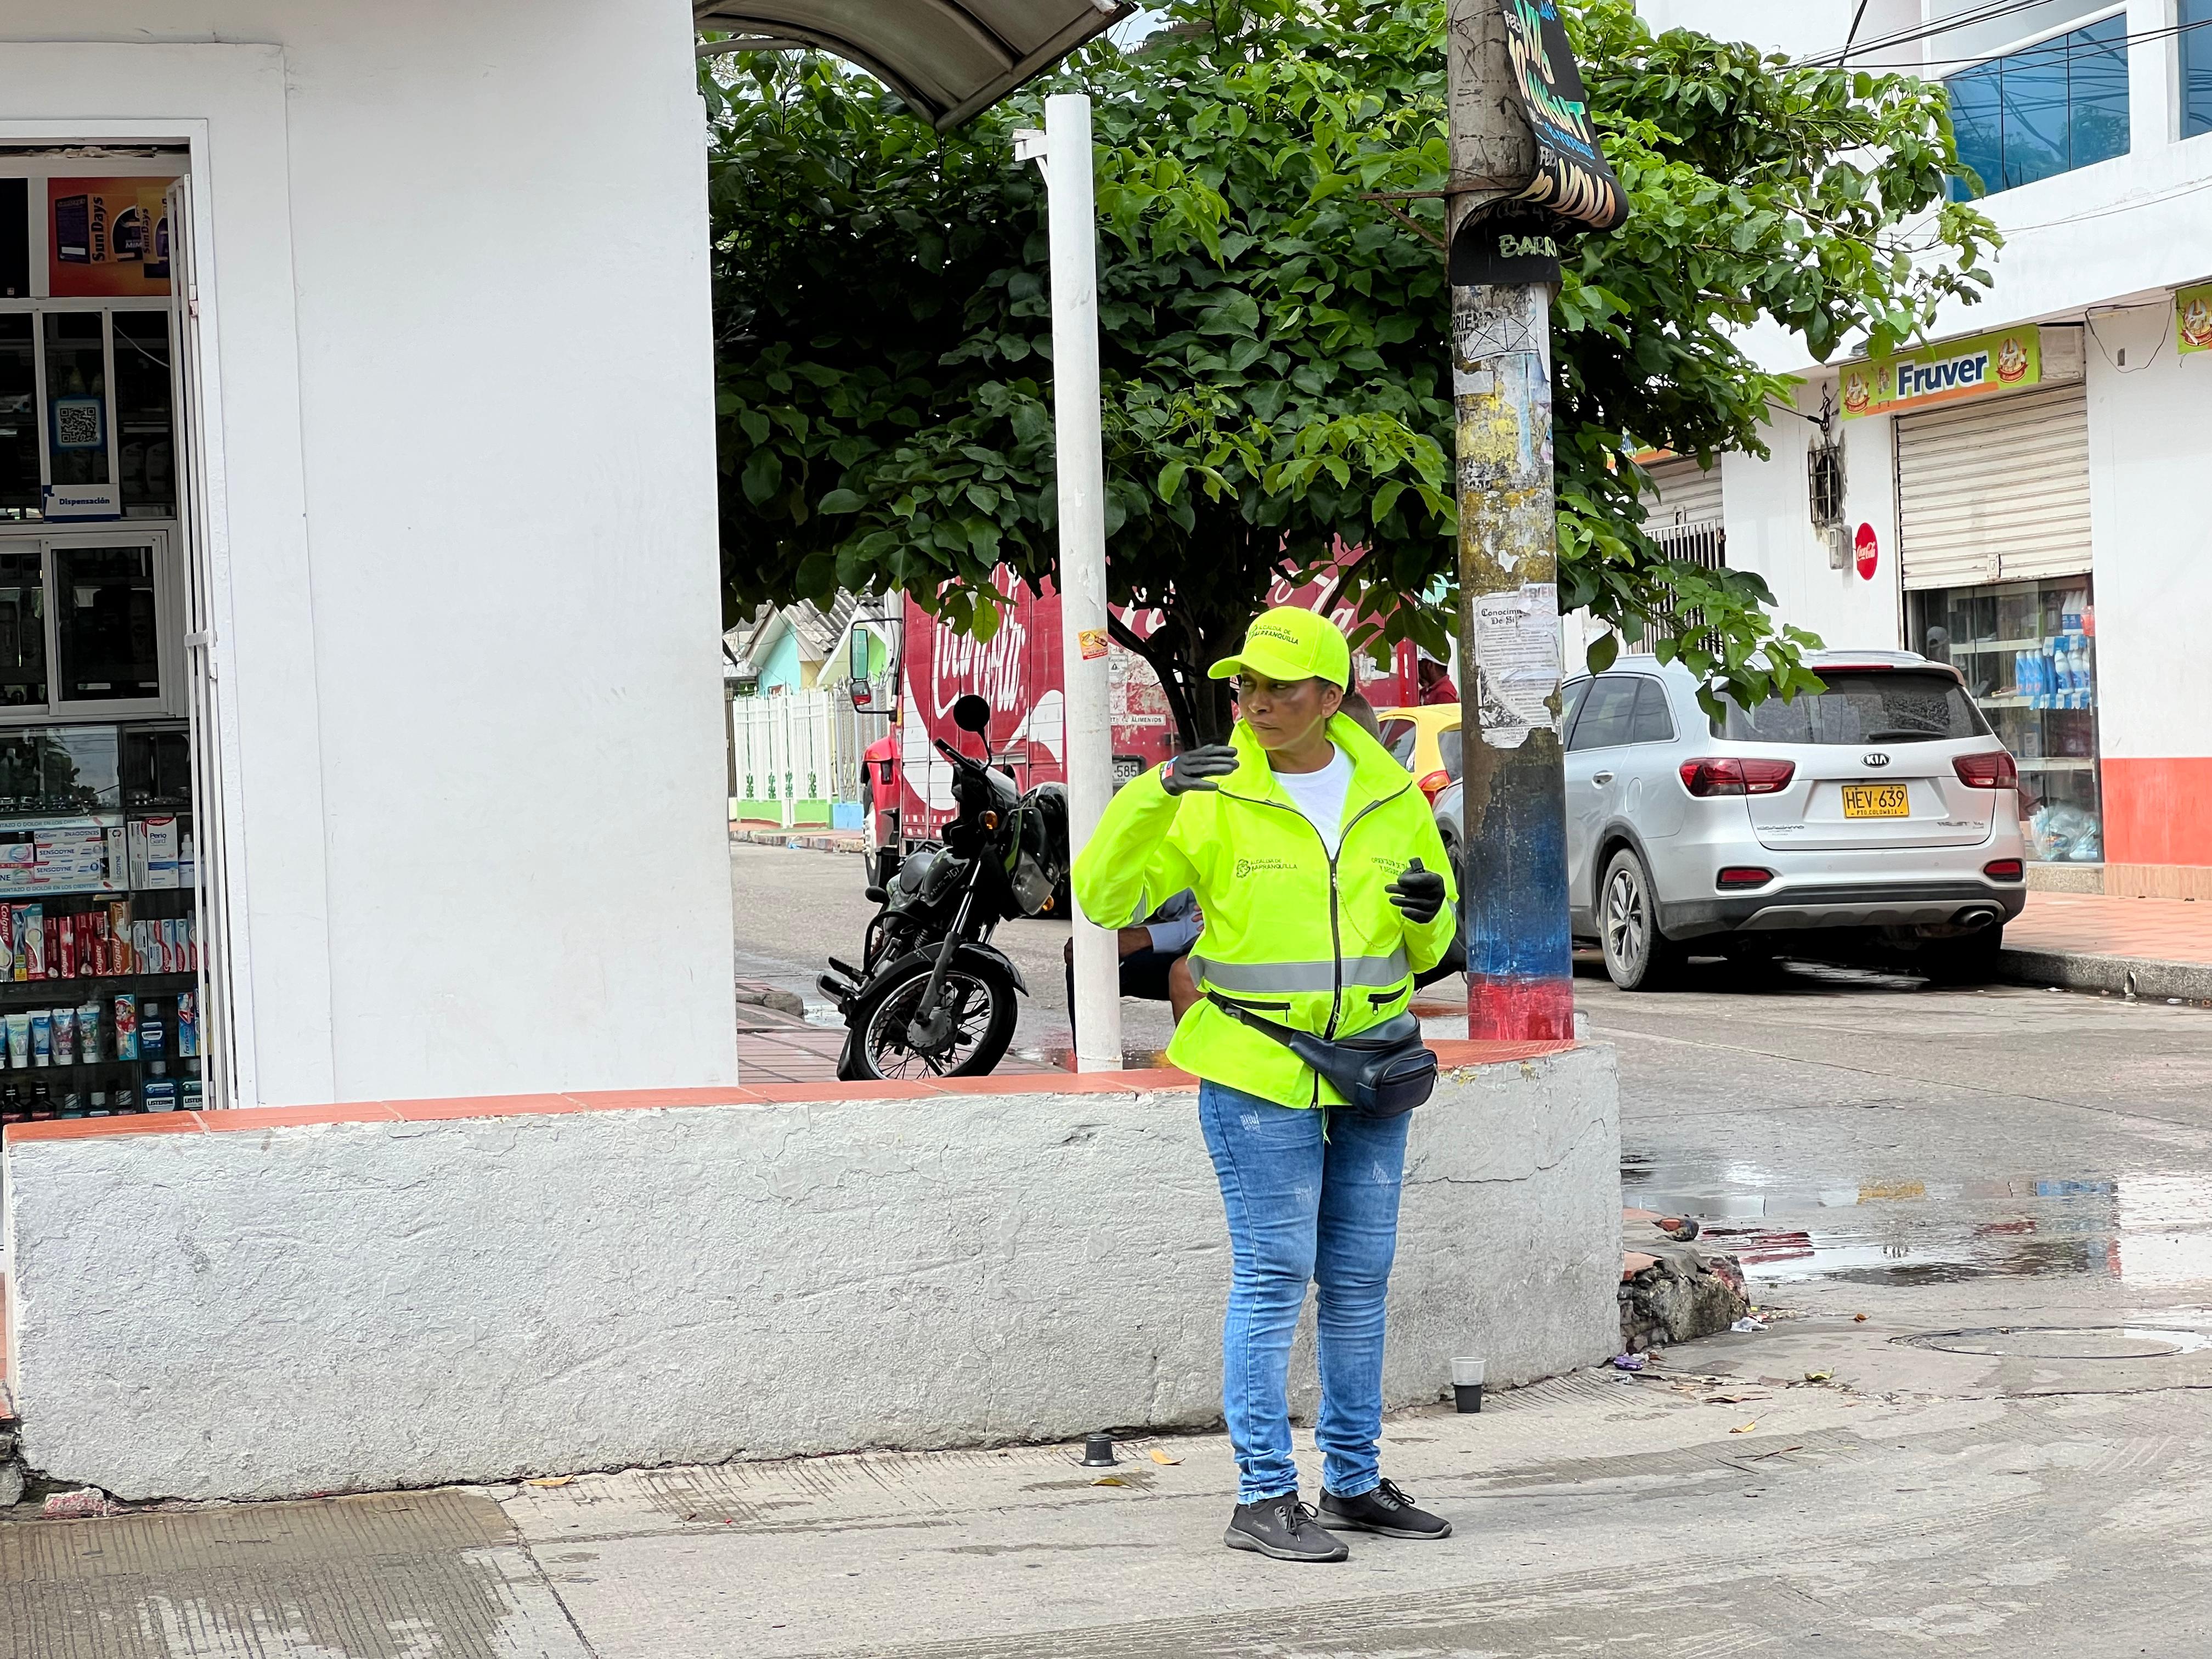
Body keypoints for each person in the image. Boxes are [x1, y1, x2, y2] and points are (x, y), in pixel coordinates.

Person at [1073, 606, 1458, 1565]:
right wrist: (1150, 794)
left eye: (1282, 687)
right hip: (1257, 1068)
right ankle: (1263, 1496)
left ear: (1333, 696)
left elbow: (1429, 947)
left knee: (1361, 1282)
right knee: (1276, 1276)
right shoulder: (1207, 791)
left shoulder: (1391, 792)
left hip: (1374, 1064)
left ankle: (1356, 1484)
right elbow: (1104, 901)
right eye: (1247, 684)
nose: (1257, 702)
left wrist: (1431, 905)